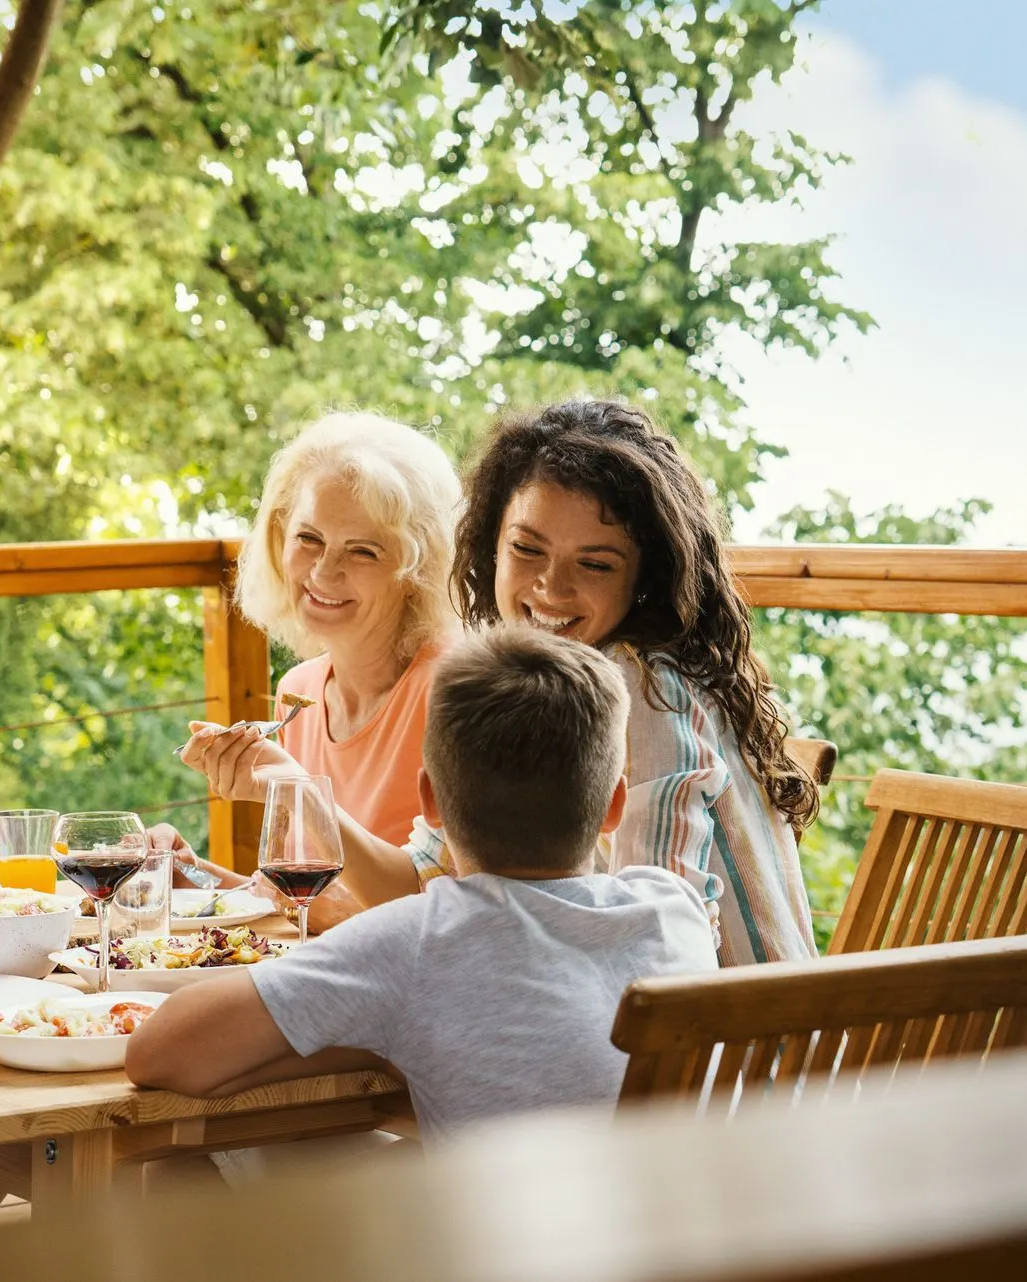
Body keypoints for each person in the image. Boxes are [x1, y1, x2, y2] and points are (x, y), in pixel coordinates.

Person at [126, 625, 717, 1138]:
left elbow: (157, 1054)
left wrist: (381, 1033)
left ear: (429, 800)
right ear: (613, 806)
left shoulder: (417, 941)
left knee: (186, 1163)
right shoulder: (673, 907)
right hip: (695, 1249)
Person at [446, 399, 821, 965]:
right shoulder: (538, 690)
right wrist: (300, 791)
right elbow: (429, 868)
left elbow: (657, 937)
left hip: (737, 1038)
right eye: (527, 549)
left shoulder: (644, 688)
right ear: (490, 546)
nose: (550, 587)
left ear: (644, 578)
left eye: (594, 565)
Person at [176, 411, 462, 909]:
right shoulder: (301, 691)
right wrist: (185, 872)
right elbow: (294, 900)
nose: (325, 572)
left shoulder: (458, 693)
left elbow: (439, 911)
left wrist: (301, 793)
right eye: (309, 539)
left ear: (419, 567)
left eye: (364, 552)